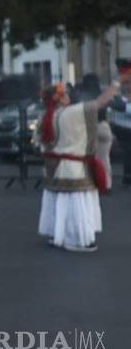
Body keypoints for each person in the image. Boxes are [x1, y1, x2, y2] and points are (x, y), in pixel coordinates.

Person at [37, 76, 127, 252]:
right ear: (60, 98)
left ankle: (57, 235)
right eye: (65, 94)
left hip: (53, 169)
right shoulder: (70, 113)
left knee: (58, 203)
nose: (69, 96)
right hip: (74, 169)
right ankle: (77, 239)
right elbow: (100, 102)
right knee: (76, 205)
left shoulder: (46, 115)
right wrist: (117, 81)